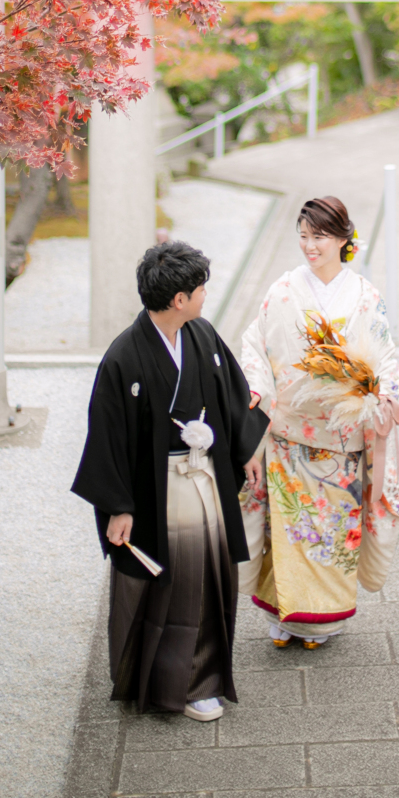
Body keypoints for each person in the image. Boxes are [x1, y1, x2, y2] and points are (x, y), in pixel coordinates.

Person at [72, 241, 269, 721]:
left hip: (203, 476)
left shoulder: (201, 337)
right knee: (167, 587)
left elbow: (231, 394)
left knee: (208, 581)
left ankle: (201, 682)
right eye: (200, 289)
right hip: (155, 488)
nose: (206, 296)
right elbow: (108, 437)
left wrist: (247, 451)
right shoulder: (124, 358)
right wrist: (119, 506)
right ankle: (161, 683)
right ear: (178, 299)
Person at [240, 196, 399, 650]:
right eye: (304, 235)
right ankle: (285, 617)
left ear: (344, 240)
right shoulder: (283, 290)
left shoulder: (365, 296)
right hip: (290, 431)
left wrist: (384, 395)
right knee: (290, 529)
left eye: (320, 237)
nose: (309, 245)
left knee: (331, 530)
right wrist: (257, 388)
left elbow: (385, 355)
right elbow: (255, 344)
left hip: (343, 435)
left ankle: (320, 621)